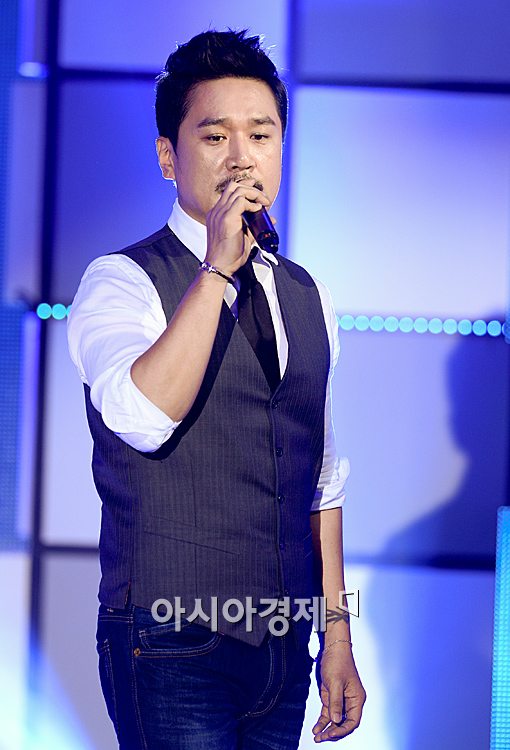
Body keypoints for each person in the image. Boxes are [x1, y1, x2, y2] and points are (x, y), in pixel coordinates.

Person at [68, 29, 365, 749]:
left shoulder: (307, 295)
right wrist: (216, 270)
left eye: (261, 135)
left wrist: (338, 634)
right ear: (169, 157)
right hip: (169, 638)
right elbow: (143, 417)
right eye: (215, 137)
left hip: (283, 644)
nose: (241, 157)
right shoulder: (123, 281)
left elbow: (320, 480)